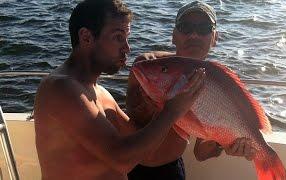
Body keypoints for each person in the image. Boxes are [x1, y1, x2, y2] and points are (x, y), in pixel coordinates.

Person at [33, 0, 206, 179]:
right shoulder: (61, 88)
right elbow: (122, 159)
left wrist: (157, 112)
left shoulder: (100, 93)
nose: (127, 48)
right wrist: (171, 111)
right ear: (86, 37)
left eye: (127, 38)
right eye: (118, 37)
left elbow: (148, 156)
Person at [126, 1, 257, 180]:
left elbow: (201, 153)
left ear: (215, 38)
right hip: (131, 168)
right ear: (173, 36)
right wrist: (160, 108)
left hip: (172, 170)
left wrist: (224, 144)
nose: (194, 35)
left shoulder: (217, 82)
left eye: (204, 28)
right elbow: (135, 119)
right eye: (185, 27)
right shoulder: (149, 66)